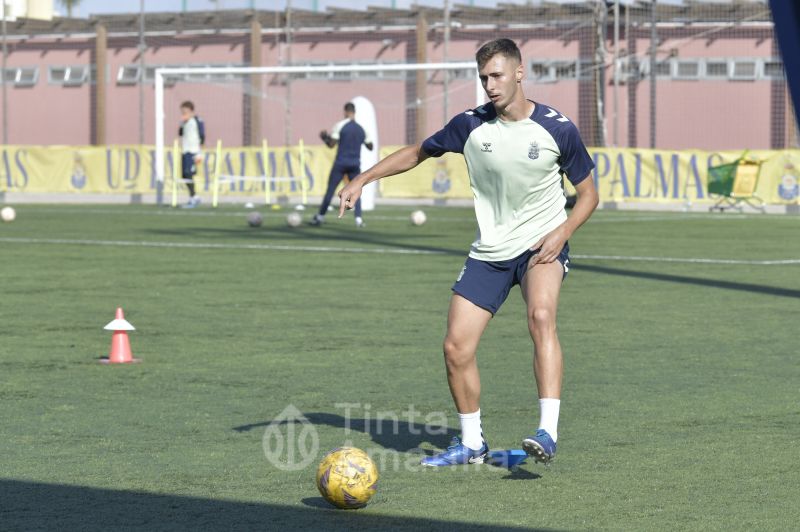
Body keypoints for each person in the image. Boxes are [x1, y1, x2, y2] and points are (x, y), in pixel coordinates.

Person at [337, 39, 599, 467]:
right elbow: (417, 153)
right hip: (489, 251)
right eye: (483, 78)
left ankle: (547, 433)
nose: (490, 86)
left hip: (541, 245)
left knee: (541, 316)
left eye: (496, 76)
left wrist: (563, 230)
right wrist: (361, 181)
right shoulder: (471, 125)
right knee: (456, 347)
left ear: (519, 72)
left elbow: (588, 194)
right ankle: (472, 442)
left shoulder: (557, 128)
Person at [311, 102, 373, 228]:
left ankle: (320, 217)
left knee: (330, 191)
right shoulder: (362, 128)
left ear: (345, 111)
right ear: (354, 112)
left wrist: (324, 137)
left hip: (340, 164)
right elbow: (370, 146)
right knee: (356, 190)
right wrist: (360, 141)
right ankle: (359, 219)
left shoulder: (340, 125)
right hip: (354, 164)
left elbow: (331, 144)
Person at [178, 101, 205, 208]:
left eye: (185, 111)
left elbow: (202, 135)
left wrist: (199, 152)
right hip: (185, 151)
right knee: (184, 175)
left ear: (191, 110)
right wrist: (182, 124)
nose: (184, 113)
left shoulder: (197, 120)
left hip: (193, 151)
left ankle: (194, 197)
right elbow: (180, 133)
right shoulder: (184, 122)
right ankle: (193, 197)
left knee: (189, 173)